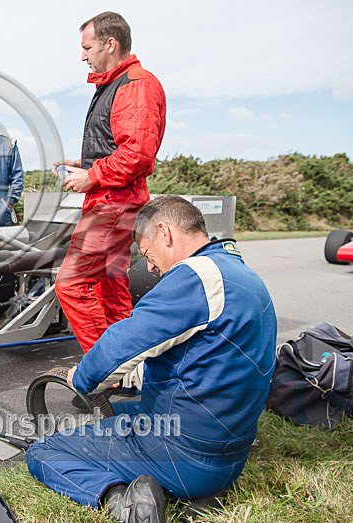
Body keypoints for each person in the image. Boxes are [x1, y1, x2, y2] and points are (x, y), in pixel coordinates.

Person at [26, 195, 277, 523]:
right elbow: (202, 356)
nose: (148, 266)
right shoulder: (237, 273)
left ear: (165, 233)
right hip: (229, 449)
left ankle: (120, 500)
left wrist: (80, 377)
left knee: (44, 451)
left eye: (146, 253)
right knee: (115, 413)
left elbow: (118, 346)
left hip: (187, 456)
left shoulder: (194, 277)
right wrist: (131, 378)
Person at [53, 12, 167, 354]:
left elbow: (137, 154)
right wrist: (83, 164)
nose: (83, 55)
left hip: (114, 203)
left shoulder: (136, 84)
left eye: (87, 47)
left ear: (110, 44)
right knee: (110, 286)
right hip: (113, 200)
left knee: (71, 283)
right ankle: (129, 362)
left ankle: (108, 369)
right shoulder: (118, 84)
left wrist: (92, 175)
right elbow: (118, 146)